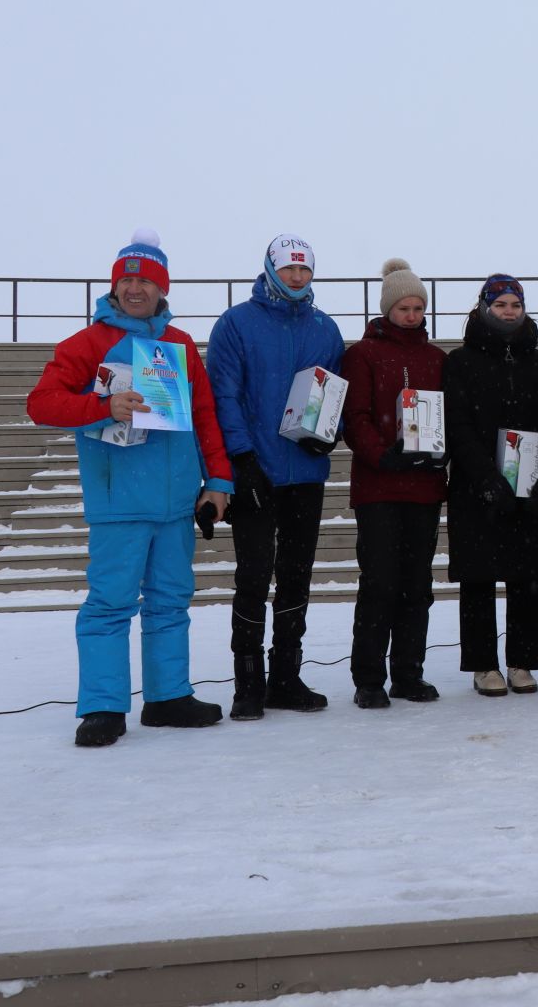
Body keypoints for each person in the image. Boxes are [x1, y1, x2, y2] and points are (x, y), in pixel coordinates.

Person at [26, 229, 233, 746]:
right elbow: (42, 403)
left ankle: (167, 698)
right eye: (128, 280)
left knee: (170, 602)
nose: (136, 288)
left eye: (146, 280)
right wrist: (102, 407)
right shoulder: (86, 344)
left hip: (176, 503)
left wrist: (219, 481)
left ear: (162, 289)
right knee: (110, 603)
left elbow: (206, 415)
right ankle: (103, 706)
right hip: (119, 502)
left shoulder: (180, 345)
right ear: (114, 287)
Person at [207, 233, 345, 720]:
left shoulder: (325, 329)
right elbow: (223, 394)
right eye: (288, 269)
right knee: (252, 574)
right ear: (269, 269)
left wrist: (330, 433)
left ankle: (286, 675)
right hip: (256, 473)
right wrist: (241, 459)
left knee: (295, 577)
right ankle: (248, 682)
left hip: (305, 472)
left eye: (304, 270)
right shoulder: (236, 324)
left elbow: (336, 396)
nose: (296, 277)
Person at [445, 275, 538, 697]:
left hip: (531, 487)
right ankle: (483, 664)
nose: (509, 311)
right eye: (501, 305)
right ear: (484, 308)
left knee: (529, 575)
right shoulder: (460, 362)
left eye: (516, 304)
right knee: (479, 577)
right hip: (478, 488)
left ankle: (522, 661)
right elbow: (457, 425)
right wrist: (485, 477)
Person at [339, 259, 448, 709]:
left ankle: (408, 672)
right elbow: (355, 416)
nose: (411, 316)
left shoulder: (435, 358)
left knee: (416, 585)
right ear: (387, 309)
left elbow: (447, 418)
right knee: (380, 582)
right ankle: (369, 678)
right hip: (379, 487)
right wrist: (382, 454)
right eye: (403, 307)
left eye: (418, 308)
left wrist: (439, 450)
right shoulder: (363, 354)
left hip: (423, 487)